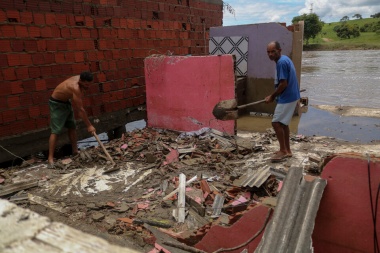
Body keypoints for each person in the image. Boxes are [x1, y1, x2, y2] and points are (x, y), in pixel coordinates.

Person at [48, 71, 96, 168]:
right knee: (56, 131)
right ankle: (50, 158)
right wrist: (89, 125)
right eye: (86, 84)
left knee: (72, 126)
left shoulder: (80, 78)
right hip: (56, 104)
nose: (88, 86)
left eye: (90, 84)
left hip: (66, 102)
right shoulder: (75, 87)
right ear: (81, 81)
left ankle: (75, 151)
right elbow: (80, 110)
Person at [265, 41, 300, 162]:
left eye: (273, 51)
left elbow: (283, 84)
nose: (270, 54)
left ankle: (283, 151)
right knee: (283, 124)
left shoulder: (281, 62)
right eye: (268, 52)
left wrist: (272, 96)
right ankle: (287, 150)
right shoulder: (284, 59)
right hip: (291, 95)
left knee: (276, 123)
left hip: (287, 97)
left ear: (279, 51)